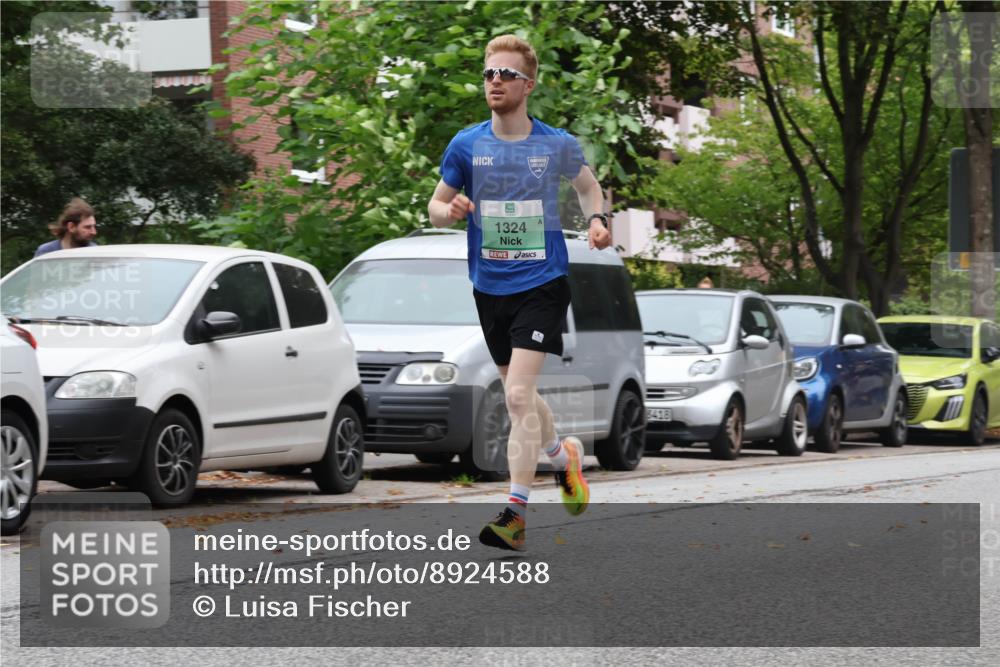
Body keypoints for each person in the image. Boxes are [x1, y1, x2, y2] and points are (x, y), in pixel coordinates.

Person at [428, 35, 612, 551]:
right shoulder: (467, 144)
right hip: (489, 285)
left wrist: (597, 220)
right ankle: (561, 454)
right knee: (523, 396)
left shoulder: (554, 144)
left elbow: (587, 186)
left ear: (528, 85)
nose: (496, 82)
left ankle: (514, 514)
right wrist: (452, 210)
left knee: (513, 396)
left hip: (542, 283)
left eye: (507, 75)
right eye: (489, 74)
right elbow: (435, 207)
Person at [34, 198, 98, 257]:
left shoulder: (95, 253)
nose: (94, 232)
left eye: (94, 226)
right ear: (71, 227)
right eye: (88, 227)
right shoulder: (47, 252)